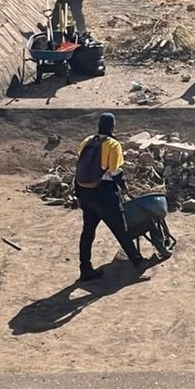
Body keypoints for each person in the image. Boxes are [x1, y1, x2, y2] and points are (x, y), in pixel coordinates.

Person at [75, 113, 148, 282]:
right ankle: (138, 263)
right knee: (121, 230)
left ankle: (85, 269)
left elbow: (79, 167)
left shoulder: (87, 141)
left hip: (86, 193)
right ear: (113, 127)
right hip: (105, 193)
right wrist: (123, 187)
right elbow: (115, 171)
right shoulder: (113, 144)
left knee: (87, 232)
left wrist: (78, 192)